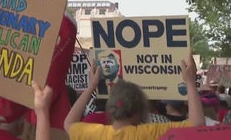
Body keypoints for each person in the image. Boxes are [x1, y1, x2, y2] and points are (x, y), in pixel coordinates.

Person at [64, 51, 205, 140]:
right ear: (141, 111)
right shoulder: (149, 133)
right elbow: (197, 125)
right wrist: (190, 82)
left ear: (111, 109)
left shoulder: (95, 134)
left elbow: (69, 123)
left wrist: (91, 86)